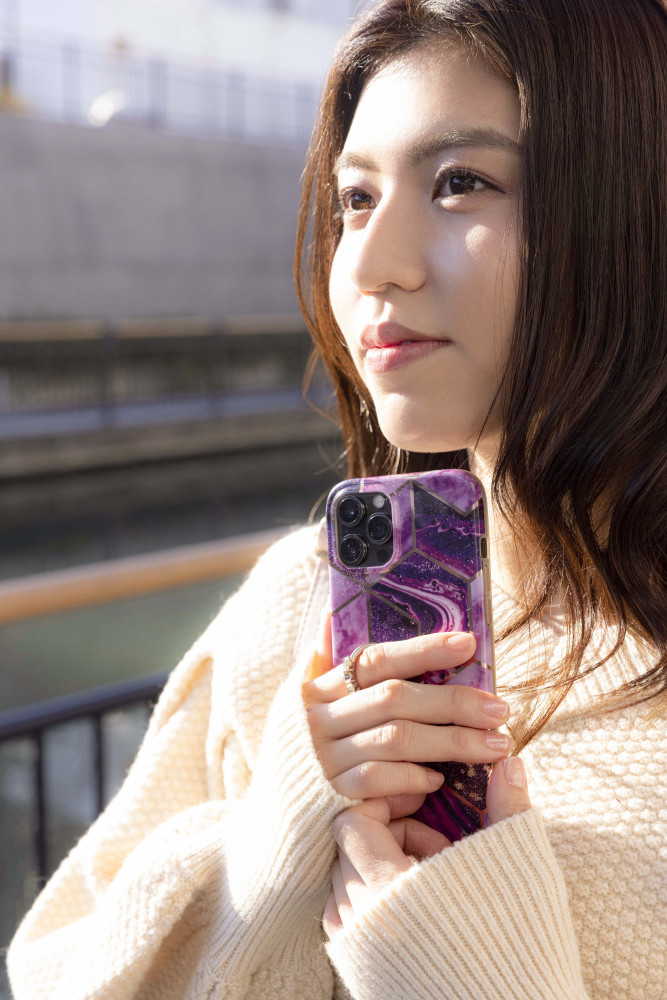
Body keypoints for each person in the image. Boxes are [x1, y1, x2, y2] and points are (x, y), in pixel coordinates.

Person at [8, 1, 666, 998]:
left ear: (631, 210)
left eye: (460, 182)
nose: (366, 264)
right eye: (354, 198)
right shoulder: (295, 607)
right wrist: (282, 830)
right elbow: (57, 966)